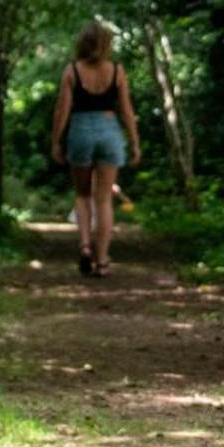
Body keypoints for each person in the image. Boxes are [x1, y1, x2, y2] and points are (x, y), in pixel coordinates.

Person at [50, 21, 141, 277]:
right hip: (110, 131)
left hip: (80, 132)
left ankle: (85, 246)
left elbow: (62, 111)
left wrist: (56, 141)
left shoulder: (72, 71)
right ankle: (102, 260)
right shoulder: (117, 71)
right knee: (104, 200)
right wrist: (134, 142)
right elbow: (126, 110)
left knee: (82, 195)